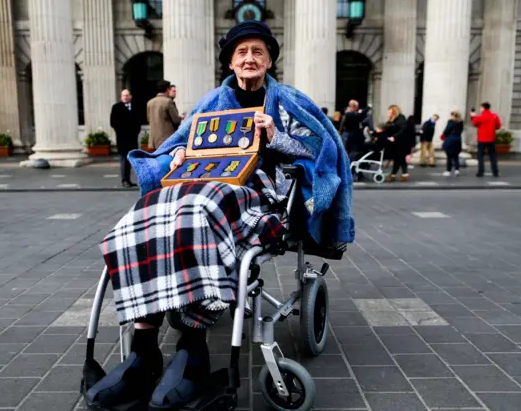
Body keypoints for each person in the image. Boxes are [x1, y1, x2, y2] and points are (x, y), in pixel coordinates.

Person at [99, 21, 353, 409]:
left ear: (269, 60)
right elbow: (174, 145)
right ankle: (144, 346)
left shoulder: (288, 101)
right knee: (142, 217)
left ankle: (192, 346)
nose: (249, 58)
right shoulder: (210, 103)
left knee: (201, 214)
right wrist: (176, 156)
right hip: (199, 186)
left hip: (258, 191)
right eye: (242, 52)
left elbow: (324, 153)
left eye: (258, 52)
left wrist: (276, 138)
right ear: (230, 62)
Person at [110, 89, 140, 187]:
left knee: (130, 160)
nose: (125, 97)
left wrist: (136, 132)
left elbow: (138, 121)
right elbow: (113, 122)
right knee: (124, 160)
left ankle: (129, 180)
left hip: (132, 138)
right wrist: (122, 130)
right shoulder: (116, 107)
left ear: (130, 96)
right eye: (123, 95)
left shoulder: (135, 107)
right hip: (122, 138)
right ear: (121, 97)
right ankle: (124, 180)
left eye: (127, 95)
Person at [146, 80, 183, 149]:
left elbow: (149, 119)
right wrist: (180, 118)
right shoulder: (168, 102)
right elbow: (176, 121)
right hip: (166, 140)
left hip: (153, 140)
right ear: (167, 89)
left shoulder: (150, 102)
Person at [471, 102, 501, 177]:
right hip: (491, 138)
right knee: (493, 156)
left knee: (480, 156)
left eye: (480, 108)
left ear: (483, 108)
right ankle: (495, 172)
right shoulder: (494, 116)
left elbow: (474, 124)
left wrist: (473, 116)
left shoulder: (480, 117)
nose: (480, 109)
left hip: (482, 139)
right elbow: (498, 126)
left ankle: (481, 172)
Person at [385, 105, 410, 182]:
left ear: (394, 111)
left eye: (390, 112)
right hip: (395, 143)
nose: (388, 113)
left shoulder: (401, 119)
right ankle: (403, 175)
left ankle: (393, 175)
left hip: (400, 143)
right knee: (400, 159)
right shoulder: (393, 119)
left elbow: (402, 130)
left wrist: (394, 137)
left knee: (398, 159)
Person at [441, 111, 464, 177]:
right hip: (458, 140)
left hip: (451, 140)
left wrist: (443, 135)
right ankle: (457, 170)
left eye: (451, 115)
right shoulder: (461, 122)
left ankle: (448, 171)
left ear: (454, 116)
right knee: (456, 156)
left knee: (449, 156)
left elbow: (446, 130)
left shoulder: (451, 122)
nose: (451, 117)